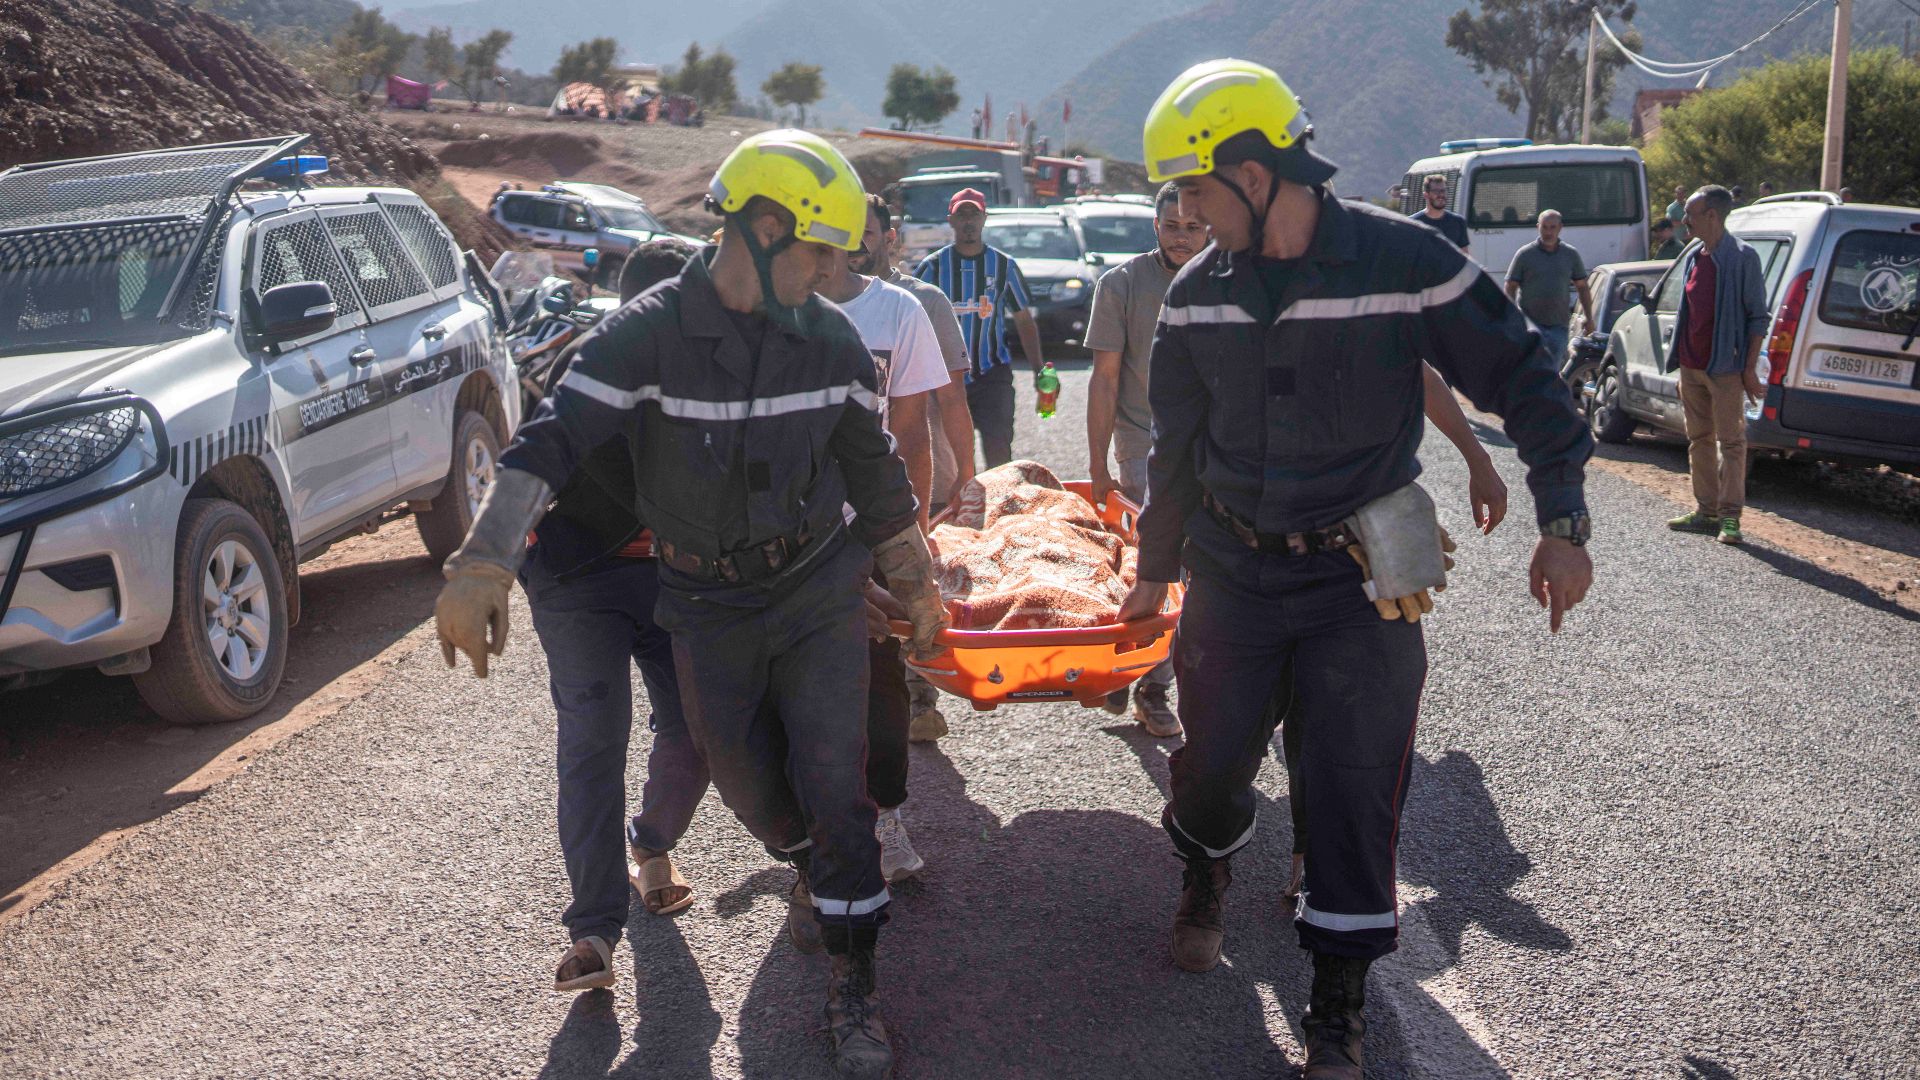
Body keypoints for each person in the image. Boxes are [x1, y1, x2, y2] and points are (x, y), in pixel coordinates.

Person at [434, 129, 945, 1078]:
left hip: (816, 587)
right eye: (820, 250)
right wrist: (483, 561)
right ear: (759, 226)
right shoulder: (646, 334)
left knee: (837, 783)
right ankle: (808, 867)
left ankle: (855, 988)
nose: (834, 274)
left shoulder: (828, 340)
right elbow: (549, 442)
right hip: (706, 605)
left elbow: (873, 469)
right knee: (748, 783)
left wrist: (910, 572)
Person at [1119, 59, 1593, 1078]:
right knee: (1208, 774)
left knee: (1349, 787)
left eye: (1197, 191)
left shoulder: (1404, 261)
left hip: (1355, 589)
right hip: (1233, 581)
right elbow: (1175, 452)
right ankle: (1206, 864)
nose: (1187, 215)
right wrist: (1154, 573)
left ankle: (1337, 1006)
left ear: (1252, 172)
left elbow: (1522, 373)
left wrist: (1565, 518)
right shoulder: (1196, 300)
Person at [515, 238, 708, 996]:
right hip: (579, 576)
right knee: (595, 741)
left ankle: (651, 845)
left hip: (673, 578)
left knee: (703, 725)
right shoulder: (589, 367)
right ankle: (592, 932)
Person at [817, 215, 951, 882]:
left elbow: (910, 433)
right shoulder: (775, 309)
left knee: (879, 681)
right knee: (800, 684)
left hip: (870, 525)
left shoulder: (896, 310)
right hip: (794, 530)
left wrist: (914, 534)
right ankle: (813, 835)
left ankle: (886, 817)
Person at [850, 194, 976, 744]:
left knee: (913, 599)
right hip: (849, 495)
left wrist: (967, 474)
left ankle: (917, 700)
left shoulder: (921, 303)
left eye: (868, 232)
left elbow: (949, 399)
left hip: (919, 476)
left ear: (889, 236)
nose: (857, 243)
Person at [1084, 181, 1205, 736]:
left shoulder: (1228, 280)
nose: (1183, 237)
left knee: (1197, 571)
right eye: (1172, 226)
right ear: (1155, 226)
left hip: (1213, 446)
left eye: (1192, 226)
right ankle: (1151, 687)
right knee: (1158, 559)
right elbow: (1105, 378)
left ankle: (1140, 674)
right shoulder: (1123, 284)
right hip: (1143, 446)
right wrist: (1096, 465)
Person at [1664, 185, 1770, 546]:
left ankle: (1729, 518)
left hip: (1725, 368)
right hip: (1691, 365)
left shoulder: (1743, 257)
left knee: (1732, 443)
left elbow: (1758, 318)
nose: (1684, 220)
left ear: (1712, 215)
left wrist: (1750, 369)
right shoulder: (1695, 255)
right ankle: (1705, 511)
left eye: (1690, 214)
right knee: (1698, 439)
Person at [916, 187, 1048, 469]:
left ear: (984, 219)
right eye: (961, 215)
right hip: (945, 377)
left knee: (999, 454)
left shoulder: (1003, 266)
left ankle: (999, 511)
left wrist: (1039, 369)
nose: (968, 222)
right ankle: (959, 512)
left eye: (974, 214)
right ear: (950, 221)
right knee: (952, 461)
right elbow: (913, 319)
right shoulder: (932, 268)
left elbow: (1024, 320)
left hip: (992, 375)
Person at [1504, 210, 1594, 374]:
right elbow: (1510, 286)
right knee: (1530, 369)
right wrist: (1512, 315)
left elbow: (1582, 286)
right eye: (1544, 227)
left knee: (1551, 371)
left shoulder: (1570, 255)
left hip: (1558, 326)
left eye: (1552, 227)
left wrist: (1589, 316)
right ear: (1538, 227)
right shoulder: (1525, 254)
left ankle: (1543, 399)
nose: (1548, 232)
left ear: (1560, 228)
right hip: (1530, 325)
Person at [1407, 172, 1470, 256]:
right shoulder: (1413, 223)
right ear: (1426, 195)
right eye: (1435, 191)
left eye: (1443, 190)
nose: (1440, 195)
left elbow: (1464, 256)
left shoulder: (1458, 222)